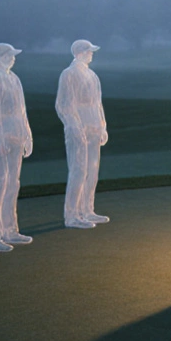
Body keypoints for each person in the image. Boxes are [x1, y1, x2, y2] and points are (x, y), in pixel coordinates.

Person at [0, 43, 34, 252]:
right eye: (10, 55)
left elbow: (22, 111)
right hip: (1, 140)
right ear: (0, 57)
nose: (13, 59)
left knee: (13, 183)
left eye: (13, 56)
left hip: (16, 136)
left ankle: (10, 229)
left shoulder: (14, 79)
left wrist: (27, 135)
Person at [56, 39, 109, 228]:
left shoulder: (93, 76)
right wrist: (76, 127)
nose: (91, 54)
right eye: (88, 51)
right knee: (78, 171)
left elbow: (98, 104)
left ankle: (88, 209)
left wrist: (102, 127)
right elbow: (64, 105)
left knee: (92, 171)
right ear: (79, 53)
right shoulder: (68, 74)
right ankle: (72, 215)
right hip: (78, 130)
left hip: (93, 128)